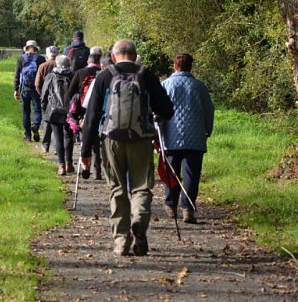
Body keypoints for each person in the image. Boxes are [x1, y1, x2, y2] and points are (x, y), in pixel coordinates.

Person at [80, 39, 174, 257]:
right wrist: (155, 116)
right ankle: (139, 219)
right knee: (141, 186)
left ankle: (121, 241)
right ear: (134, 55)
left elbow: (92, 116)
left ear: (113, 56)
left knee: (117, 189)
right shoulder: (146, 76)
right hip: (141, 139)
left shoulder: (105, 76)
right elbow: (167, 109)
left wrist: (85, 152)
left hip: (111, 140)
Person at [160, 53, 215, 224]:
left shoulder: (166, 85)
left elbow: (159, 110)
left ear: (175, 66)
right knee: (191, 174)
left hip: (171, 135)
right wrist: (207, 129)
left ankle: (170, 204)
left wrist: (158, 133)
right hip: (195, 137)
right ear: (191, 67)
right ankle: (188, 208)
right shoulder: (199, 86)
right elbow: (209, 110)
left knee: (172, 171)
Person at [66, 46, 103, 179]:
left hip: (83, 110)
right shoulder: (105, 73)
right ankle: (98, 171)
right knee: (97, 141)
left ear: (88, 60)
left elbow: (70, 93)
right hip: (100, 109)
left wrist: (75, 105)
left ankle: (85, 166)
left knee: (86, 139)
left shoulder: (80, 73)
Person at [41, 55, 74, 175]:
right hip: (70, 110)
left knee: (58, 136)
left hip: (54, 110)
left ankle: (61, 166)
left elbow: (44, 95)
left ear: (57, 63)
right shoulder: (72, 75)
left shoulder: (50, 76)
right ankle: (69, 163)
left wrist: (44, 111)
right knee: (69, 136)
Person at [14, 40, 46, 142]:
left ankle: (27, 136)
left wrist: (16, 89)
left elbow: (17, 75)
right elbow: (44, 75)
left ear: (26, 48)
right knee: (37, 110)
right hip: (36, 89)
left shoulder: (21, 59)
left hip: (24, 89)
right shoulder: (41, 58)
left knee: (26, 112)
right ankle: (36, 125)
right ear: (36, 48)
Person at [35, 45, 59, 151]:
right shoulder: (62, 65)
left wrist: (42, 94)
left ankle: (45, 145)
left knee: (47, 121)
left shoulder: (43, 66)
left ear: (47, 55)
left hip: (47, 97)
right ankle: (57, 147)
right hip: (59, 98)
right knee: (59, 123)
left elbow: (37, 84)